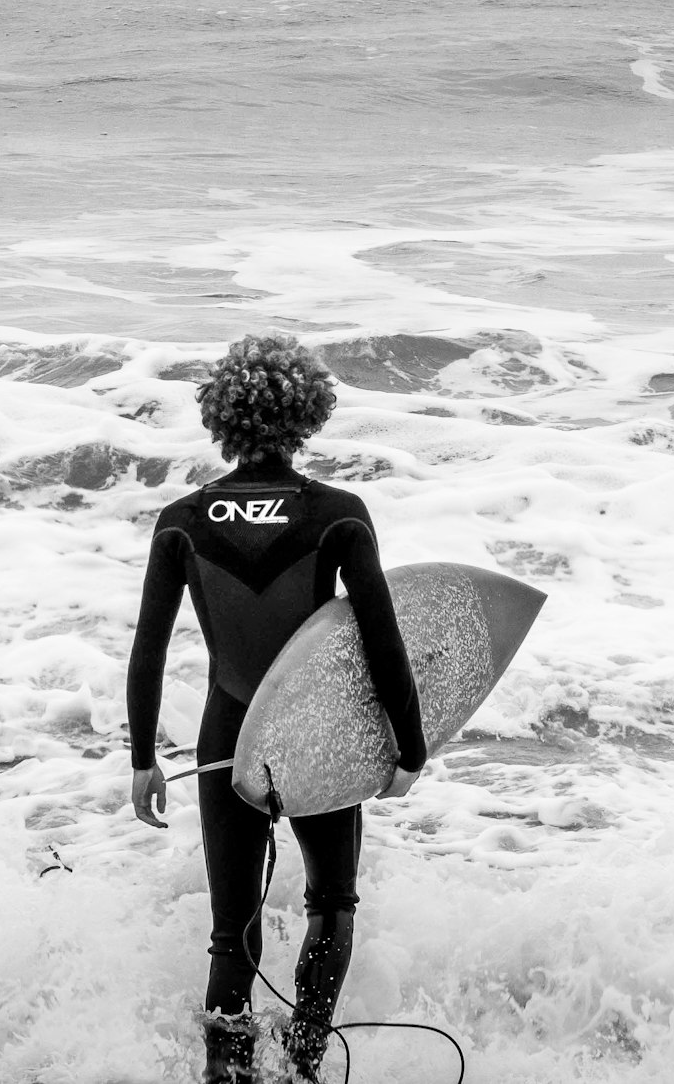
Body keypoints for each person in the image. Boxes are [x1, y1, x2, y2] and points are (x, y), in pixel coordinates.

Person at [127, 335, 426, 1083]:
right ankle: (302, 1066)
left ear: (222, 415)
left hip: (228, 735)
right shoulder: (338, 515)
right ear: (308, 413)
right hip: (314, 736)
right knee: (332, 901)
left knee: (232, 935)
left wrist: (142, 760)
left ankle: (226, 1077)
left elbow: (149, 650)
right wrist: (410, 747)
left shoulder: (182, 519)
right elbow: (381, 640)